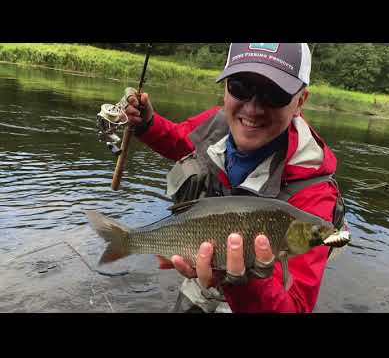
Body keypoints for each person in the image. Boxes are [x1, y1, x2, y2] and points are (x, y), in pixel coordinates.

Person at [122, 43, 349, 313]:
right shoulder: (218, 123)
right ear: (226, 86)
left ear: (300, 101)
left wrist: (245, 281)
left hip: (261, 294)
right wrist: (148, 123)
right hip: (203, 264)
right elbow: (182, 140)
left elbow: (295, 307)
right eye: (240, 86)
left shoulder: (315, 195)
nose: (252, 109)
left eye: (274, 94)